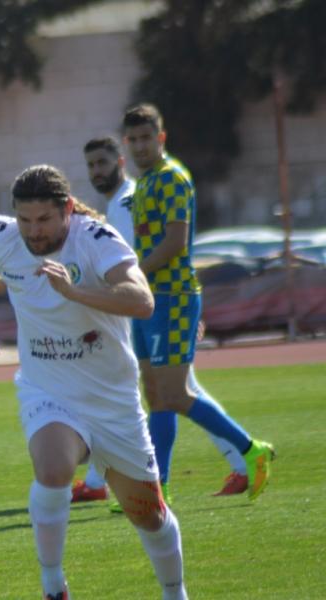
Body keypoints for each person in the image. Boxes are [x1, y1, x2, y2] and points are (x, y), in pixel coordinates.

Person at [0, 164, 188, 600]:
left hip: (112, 401)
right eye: (25, 219)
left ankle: (175, 593)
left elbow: (142, 300)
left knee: (150, 516)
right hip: (48, 390)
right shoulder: (3, 236)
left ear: (67, 208)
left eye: (44, 219)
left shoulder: (97, 240)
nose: (34, 231)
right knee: (52, 468)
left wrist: (75, 292)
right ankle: (53, 587)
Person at [72, 136, 250, 503]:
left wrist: (182, 311)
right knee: (166, 392)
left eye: (103, 162)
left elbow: (144, 259)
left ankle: (105, 480)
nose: (96, 171)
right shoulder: (121, 201)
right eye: (91, 165)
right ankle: (242, 462)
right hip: (151, 309)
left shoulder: (129, 201)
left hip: (152, 308)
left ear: (121, 161)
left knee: (145, 392)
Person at [122, 103, 274, 504]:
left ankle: (251, 449)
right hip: (148, 298)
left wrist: (133, 271)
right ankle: (160, 488)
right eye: (133, 139)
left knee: (173, 394)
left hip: (172, 297)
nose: (140, 146)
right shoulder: (145, 182)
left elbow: (175, 242)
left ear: (161, 138)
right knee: (156, 394)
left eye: (146, 138)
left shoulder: (172, 177)